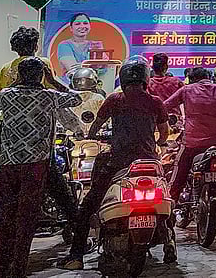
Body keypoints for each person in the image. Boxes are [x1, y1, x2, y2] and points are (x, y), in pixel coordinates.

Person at [59, 60, 174, 270]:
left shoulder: (114, 99)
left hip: (118, 161)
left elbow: (95, 128)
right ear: (145, 80)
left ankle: (76, 257)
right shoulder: (155, 101)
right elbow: (164, 132)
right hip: (149, 161)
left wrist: (95, 136)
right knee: (167, 196)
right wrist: (158, 142)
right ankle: (170, 241)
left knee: (86, 208)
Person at [0, 58, 84, 277]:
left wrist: (14, 84)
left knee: (5, 215)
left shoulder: (6, 96)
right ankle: (18, 269)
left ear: (19, 75)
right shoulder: (49, 96)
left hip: (8, 164)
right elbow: (76, 98)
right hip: (36, 165)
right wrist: (54, 82)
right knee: (26, 217)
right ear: (41, 75)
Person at [164, 67, 216, 239]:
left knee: (177, 176)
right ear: (209, 78)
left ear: (191, 79)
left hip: (191, 144)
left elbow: (165, 106)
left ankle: (167, 216)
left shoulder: (186, 90)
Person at [0, 27, 54, 94]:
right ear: (36, 47)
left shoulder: (4, 68)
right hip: (38, 103)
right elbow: (52, 89)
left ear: (15, 48)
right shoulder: (43, 63)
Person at [56, 13, 99, 78]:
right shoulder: (64, 45)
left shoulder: (95, 45)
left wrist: (85, 65)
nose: (82, 26)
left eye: (85, 23)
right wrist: (92, 65)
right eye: (77, 24)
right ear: (71, 28)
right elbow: (73, 69)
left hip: (93, 83)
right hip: (70, 84)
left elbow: (105, 67)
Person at [148, 53, 184, 117]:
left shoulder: (147, 84)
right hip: (174, 120)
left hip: (155, 120)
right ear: (166, 66)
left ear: (152, 67)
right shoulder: (176, 82)